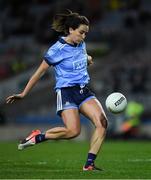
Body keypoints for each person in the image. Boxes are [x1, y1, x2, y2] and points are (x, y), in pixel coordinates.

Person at [6, 10, 108, 171]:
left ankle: (89, 164)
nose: (84, 37)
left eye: (86, 34)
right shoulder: (56, 50)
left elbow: (81, 55)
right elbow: (39, 73)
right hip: (66, 92)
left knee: (102, 123)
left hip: (83, 91)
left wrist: (87, 59)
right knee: (73, 132)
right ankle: (38, 137)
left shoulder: (81, 43)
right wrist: (24, 93)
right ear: (70, 30)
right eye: (81, 32)